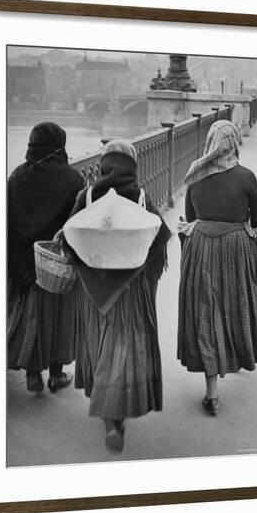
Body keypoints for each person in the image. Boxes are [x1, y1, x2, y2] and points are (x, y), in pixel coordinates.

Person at [66, 140, 171, 452]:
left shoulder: (85, 196)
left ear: (103, 166)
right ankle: (115, 415)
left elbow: (70, 238)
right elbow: (159, 239)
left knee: (98, 343)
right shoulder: (140, 197)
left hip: (93, 288)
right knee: (123, 347)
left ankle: (107, 410)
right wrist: (145, 276)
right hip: (129, 290)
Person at [177, 120, 257, 416]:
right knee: (236, 307)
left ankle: (212, 394)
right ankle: (235, 355)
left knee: (206, 312)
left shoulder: (194, 174)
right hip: (236, 249)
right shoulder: (245, 176)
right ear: (233, 142)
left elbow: (189, 216)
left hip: (201, 248)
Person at [7, 122, 84, 393]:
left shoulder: (17, 176)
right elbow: (77, 224)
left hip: (24, 261)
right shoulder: (74, 180)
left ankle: (32, 375)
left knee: (31, 318)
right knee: (60, 320)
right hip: (58, 262)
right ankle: (56, 375)